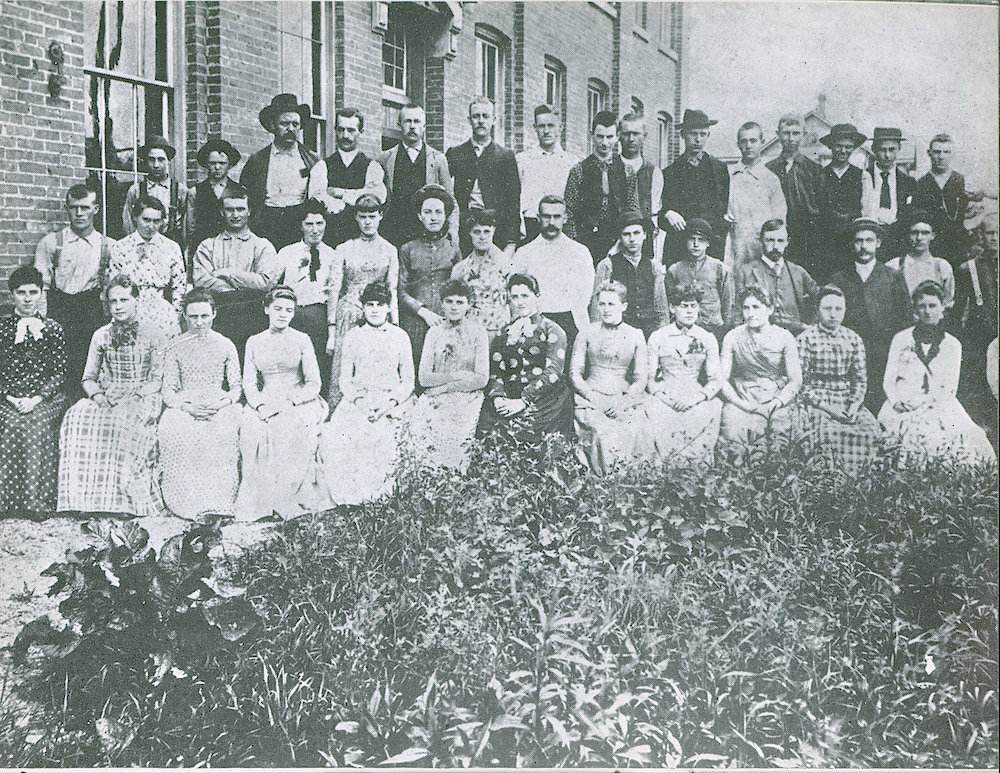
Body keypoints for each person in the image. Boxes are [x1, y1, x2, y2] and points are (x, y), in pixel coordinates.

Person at [57, 275, 164, 517]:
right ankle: (83, 500)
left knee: (123, 422)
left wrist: (134, 396)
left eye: (124, 300)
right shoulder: (100, 335)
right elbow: (88, 377)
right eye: (113, 300)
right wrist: (98, 397)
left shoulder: (153, 333)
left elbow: (157, 379)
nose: (118, 306)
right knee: (77, 416)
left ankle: (123, 503)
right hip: (109, 393)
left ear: (136, 300)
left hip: (142, 395)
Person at [878, 280, 995, 464]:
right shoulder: (901, 339)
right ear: (915, 311)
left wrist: (925, 405)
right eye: (922, 306)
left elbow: (950, 389)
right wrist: (896, 401)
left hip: (939, 404)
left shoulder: (952, 344)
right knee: (910, 435)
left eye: (932, 306)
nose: (927, 311)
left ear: (942, 309)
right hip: (904, 404)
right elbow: (888, 380)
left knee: (969, 435)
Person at [236, 285, 327, 520]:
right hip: (266, 398)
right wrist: (261, 406)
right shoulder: (254, 342)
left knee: (296, 425)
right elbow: (248, 384)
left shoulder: (302, 340)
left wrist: (293, 401)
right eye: (278, 309)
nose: (283, 314)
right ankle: (263, 501)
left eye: (289, 310)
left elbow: (313, 383)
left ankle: (289, 497)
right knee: (253, 428)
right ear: (266, 309)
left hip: (298, 398)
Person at [319, 281, 414, 505]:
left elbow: (408, 380)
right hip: (359, 401)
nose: (374, 309)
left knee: (387, 439)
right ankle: (355, 497)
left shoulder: (400, 336)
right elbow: (345, 379)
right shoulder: (353, 336)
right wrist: (360, 403)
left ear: (388, 308)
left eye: (380, 304)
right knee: (343, 437)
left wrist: (390, 403)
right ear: (362, 307)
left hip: (391, 401)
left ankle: (384, 497)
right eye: (369, 304)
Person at [158, 288, 242, 521]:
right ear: (184, 316)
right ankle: (185, 502)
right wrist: (186, 407)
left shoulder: (226, 345)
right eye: (193, 316)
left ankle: (218, 502)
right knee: (176, 429)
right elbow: (168, 389)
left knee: (222, 431)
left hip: (217, 403)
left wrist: (223, 403)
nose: (199, 322)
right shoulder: (175, 345)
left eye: (204, 316)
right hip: (186, 404)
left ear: (214, 314)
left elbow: (236, 387)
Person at [33, 184, 115, 398]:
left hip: (92, 311)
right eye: (74, 207)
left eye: (85, 207)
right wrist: (42, 321)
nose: (79, 213)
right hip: (60, 311)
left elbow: (113, 289)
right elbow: (41, 287)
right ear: (66, 208)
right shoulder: (51, 243)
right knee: (60, 369)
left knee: (91, 367)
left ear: (95, 209)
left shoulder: (107, 245)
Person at [0, 267, 68, 519]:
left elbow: (60, 372)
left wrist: (37, 398)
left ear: (41, 294)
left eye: (33, 292)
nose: (27, 298)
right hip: (7, 398)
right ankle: (6, 503)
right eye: (21, 293)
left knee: (35, 425)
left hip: (45, 398)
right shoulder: (2, 329)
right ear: (12, 295)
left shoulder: (53, 329)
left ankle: (35, 502)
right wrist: (11, 397)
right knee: (11, 424)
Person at [795, 285, 882, 475]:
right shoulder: (806, 339)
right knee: (825, 432)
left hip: (846, 398)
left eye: (838, 309)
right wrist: (827, 408)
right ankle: (826, 483)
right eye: (827, 309)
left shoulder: (853, 338)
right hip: (817, 400)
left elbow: (860, 379)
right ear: (818, 310)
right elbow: (800, 383)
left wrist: (853, 406)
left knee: (871, 430)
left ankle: (858, 482)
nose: (833, 314)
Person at [829, 219, 912, 413]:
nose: (864, 246)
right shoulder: (839, 279)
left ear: (878, 243)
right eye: (859, 241)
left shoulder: (893, 276)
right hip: (849, 356)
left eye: (869, 240)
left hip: (884, 354)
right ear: (852, 244)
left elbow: (906, 318)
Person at [478, 273, 573, 441]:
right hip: (510, 393)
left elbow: (553, 372)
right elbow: (496, 371)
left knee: (532, 434)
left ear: (536, 297)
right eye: (515, 297)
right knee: (488, 427)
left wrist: (523, 400)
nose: (520, 302)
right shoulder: (504, 332)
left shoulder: (552, 330)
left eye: (525, 296)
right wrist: (498, 396)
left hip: (545, 397)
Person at [326, 193, 399, 407]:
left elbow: (392, 288)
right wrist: (331, 331)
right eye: (363, 216)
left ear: (380, 216)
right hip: (348, 313)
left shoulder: (389, 250)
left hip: (377, 315)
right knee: (346, 366)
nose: (367, 221)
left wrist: (394, 324)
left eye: (372, 216)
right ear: (356, 218)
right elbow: (334, 289)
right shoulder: (344, 248)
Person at [408, 279, 490, 471]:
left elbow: (481, 378)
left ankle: (453, 481)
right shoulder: (434, 332)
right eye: (449, 301)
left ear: (468, 305)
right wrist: (457, 375)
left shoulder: (478, 333)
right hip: (435, 396)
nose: (454, 307)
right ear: (442, 303)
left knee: (456, 435)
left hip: (467, 396)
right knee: (420, 428)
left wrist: (446, 386)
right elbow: (424, 378)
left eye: (460, 302)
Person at [193, 189, 281, 362]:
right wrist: (242, 285)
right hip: (219, 316)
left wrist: (229, 273)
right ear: (221, 212)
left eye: (240, 209)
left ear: (249, 211)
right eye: (229, 209)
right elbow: (201, 280)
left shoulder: (262, 246)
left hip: (253, 317)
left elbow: (265, 282)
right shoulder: (208, 246)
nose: (235, 215)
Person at [640, 283, 723, 465]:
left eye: (693, 306)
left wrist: (696, 398)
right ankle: (666, 474)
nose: (689, 311)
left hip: (694, 393)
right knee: (660, 416)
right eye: (683, 306)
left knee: (703, 413)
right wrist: (666, 399)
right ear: (672, 307)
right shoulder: (658, 336)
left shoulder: (707, 338)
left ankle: (695, 473)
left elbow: (715, 379)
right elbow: (649, 379)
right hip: (665, 394)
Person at [571, 281, 648, 473]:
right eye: (602, 304)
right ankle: (601, 482)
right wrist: (592, 396)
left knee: (633, 428)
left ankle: (627, 481)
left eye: (611, 304)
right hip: (591, 395)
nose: (605, 309)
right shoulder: (586, 333)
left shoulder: (635, 335)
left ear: (624, 306)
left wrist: (624, 401)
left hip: (623, 396)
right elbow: (575, 373)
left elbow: (641, 377)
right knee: (600, 430)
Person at [512, 195, 594, 357]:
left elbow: (585, 293)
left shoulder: (579, 252)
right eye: (546, 216)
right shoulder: (524, 253)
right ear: (538, 218)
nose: (551, 222)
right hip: (535, 323)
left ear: (565, 218)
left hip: (569, 321)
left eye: (556, 217)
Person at [719, 285, 802, 445]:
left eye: (756, 307)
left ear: (770, 309)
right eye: (746, 308)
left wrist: (777, 402)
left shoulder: (784, 337)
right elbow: (721, 379)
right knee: (732, 429)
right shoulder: (733, 337)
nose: (750, 314)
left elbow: (795, 380)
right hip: (744, 395)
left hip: (776, 396)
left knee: (782, 432)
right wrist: (742, 404)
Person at [239, 94, 320, 251]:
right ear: (273, 125)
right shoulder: (257, 161)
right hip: (267, 224)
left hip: (299, 224)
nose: (291, 129)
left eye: (295, 124)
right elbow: (246, 196)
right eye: (284, 123)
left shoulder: (311, 160)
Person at [275, 199, 337, 394]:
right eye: (309, 224)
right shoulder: (287, 253)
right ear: (301, 226)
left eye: (319, 223)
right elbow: (273, 287)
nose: (315, 229)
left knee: (318, 366)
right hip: (292, 317)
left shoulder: (332, 255)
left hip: (319, 318)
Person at [446, 97, 521, 256]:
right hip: (464, 231)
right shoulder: (455, 153)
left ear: (493, 120)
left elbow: (513, 201)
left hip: (495, 230)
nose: (480, 121)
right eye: (476, 116)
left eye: (485, 116)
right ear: (469, 120)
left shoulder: (505, 156)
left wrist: (511, 242)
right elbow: (444, 193)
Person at [564, 110, 641, 265]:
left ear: (617, 136)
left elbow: (633, 211)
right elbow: (568, 213)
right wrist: (576, 246)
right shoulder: (578, 170)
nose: (605, 143)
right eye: (600, 137)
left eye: (610, 137)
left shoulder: (627, 171)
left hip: (618, 245)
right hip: (585, 244)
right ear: (592, 136)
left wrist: (622, 244)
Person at [398, 184, 462, 366]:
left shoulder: (453, 250)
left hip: (445, 318)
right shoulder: (407, 249)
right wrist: (422, 312)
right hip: (415, 320)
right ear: (420, 216)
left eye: (438, 212)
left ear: (445, 215)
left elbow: (459, 289)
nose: (433, 217)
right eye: (427, 212)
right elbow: (400, 291)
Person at [378, 103, 457, 247]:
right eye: (407, 121)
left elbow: (451, 200)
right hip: (393, 232)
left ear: (424, 126)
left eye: (417, 121)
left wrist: (452, 230)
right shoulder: (385, 159)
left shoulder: (438, 159)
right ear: (399, 125)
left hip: (426, 235)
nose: (412, 126)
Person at [307, 107, 388, 248]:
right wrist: (357, 196)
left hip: (362, 240)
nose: (345, 135)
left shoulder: (372, 167)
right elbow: (316, 198)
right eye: (340, 129)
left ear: (360, 132)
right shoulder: (322, 166)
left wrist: (340, 193)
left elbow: (376, 197)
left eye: (351, 130)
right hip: (330, 240)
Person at [659, 109, 730, 265]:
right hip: (679, 249)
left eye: (703, 134)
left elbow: (724, 208)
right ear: (683, 135)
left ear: (708, 135)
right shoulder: (669, 173)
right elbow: (660, 216)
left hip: (711, 249)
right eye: (693, 134)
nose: (698, 139)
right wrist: (667, 213)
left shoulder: (719, 170)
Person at [109, 195, 185, 339]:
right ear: (135, 218)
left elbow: (179, 287)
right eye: (146, 220)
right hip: (129, 311)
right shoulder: (120, 247)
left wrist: (175, 315)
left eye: (156, 221)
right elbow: (114, 287)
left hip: (162, 313)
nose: (151, 226)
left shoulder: (171, 248)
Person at [590, 211, 668, 339]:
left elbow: (661, 307)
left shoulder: (654, 266)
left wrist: (663, 337)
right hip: (617, 332)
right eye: (626, 234)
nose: (632, 239)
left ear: (644, 235)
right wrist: (598, 336)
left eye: (636, 233)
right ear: (620, 237)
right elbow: (597, 304)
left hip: (648, 332)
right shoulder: (607, 264)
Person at [733, 219, 818, 336]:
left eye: (780, 241)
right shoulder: (746, 272)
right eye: (770, 240)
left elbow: (819, 298)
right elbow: (737, 312)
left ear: (787, 242)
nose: (775, 246)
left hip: (796, 336)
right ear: (760, 241)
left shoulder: (798, 272)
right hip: (760, 337)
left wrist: (810, 326)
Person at [955, 211, 999, 431]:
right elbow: (959, 311)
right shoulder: (967, 269)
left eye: (998, 233)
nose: (994, 238)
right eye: (989, 233)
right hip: (981, 338)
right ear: (980, 236)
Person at [765, 114, 823, 274]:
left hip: (807, 241)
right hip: (778, 239)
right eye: (786, 133)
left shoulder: (815, 170)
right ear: (778, 135)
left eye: (796, 133)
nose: (791, 138)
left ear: (803, 135)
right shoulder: (769, 170)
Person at [724, 121, 786, 268]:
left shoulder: (771, 179)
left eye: (753, 141)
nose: (749, 145)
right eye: (744, 141)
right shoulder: (729, 176)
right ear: (738, 144)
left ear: (762, 142)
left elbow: (779, 220)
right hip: (735, 248)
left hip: (762, 249)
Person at [516, 104, 578, 244]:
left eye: (551, 126)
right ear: (535, 128)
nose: (546, 131)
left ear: (560, 128)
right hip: (530, 227)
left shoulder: (572, 162)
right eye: (541, 126)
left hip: (560, 228)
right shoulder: (522, 160)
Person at [664, 218, 732, 341]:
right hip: (684, 330)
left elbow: (727, 303)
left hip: (713, 328)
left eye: (701, 240)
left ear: (708, 243)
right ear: (686, 241)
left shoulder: (720, 269)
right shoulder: (674, 270)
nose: (696, 244)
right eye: (692, 239)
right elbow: (669, 303)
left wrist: (725, 330)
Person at [450, 207, 512, 337]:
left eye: (486, 231)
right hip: (471, 332)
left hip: (499, 332)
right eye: (477, 232)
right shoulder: (460, 269)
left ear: (493, 231)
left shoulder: (506, 264)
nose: (482, 237)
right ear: (469, 233)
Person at [122, 136, 191, 250]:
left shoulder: (181, 190)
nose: (156, 165)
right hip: (141, 248)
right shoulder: (135, 190)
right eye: (151, 159)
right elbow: (128, 223)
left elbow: (186, 227)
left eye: (161, 159)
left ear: (168, 161)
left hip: (170, 248)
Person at [816, 123, 866, 281]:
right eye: (838, 146)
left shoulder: (862, 176)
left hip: (851, 242)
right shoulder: (820, 176)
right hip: (826, 243)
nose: (843, 151)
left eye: (848, 147)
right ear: (831, 147)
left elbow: (866, 212)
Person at [187, 137, 245, 271]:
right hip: (204, 248)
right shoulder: (195, 192)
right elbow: (190, 226)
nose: (217, 167)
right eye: (213, 163)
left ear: (229, 164)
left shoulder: (240, 191)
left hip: (233, 247)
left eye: (222, 163)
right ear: (207, 164)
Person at [912, 133, 969, 267]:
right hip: (932, 247)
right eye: (937, 152)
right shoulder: (921, 184)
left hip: (958, 246)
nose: (941, 156)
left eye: (946, 152)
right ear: (929, 153)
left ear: (953, 154)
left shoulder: (960, 180)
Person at [861, 127, 917, 260]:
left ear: (899, 149)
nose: (887, 155)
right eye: (882, 150)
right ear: (874, 149)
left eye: (892, 150)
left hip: (897, 243)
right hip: (869, 240)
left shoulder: (907, 182)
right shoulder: (862, 177)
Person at [885, 210, 955, 310]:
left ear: (932, 236)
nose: (919, 238)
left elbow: (947, 302)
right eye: (914, 233)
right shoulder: (893, 266)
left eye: (925, 233)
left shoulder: (942, 266)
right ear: (908, 235)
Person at [618, 112, 664, 260]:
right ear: (619, 135)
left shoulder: (654, 172)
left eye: (636, 134)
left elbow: (654, 211)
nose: (631, 139)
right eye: (626, 134)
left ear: (644, 135)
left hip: (643, 244)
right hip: (613, 241)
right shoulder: (611, 167)